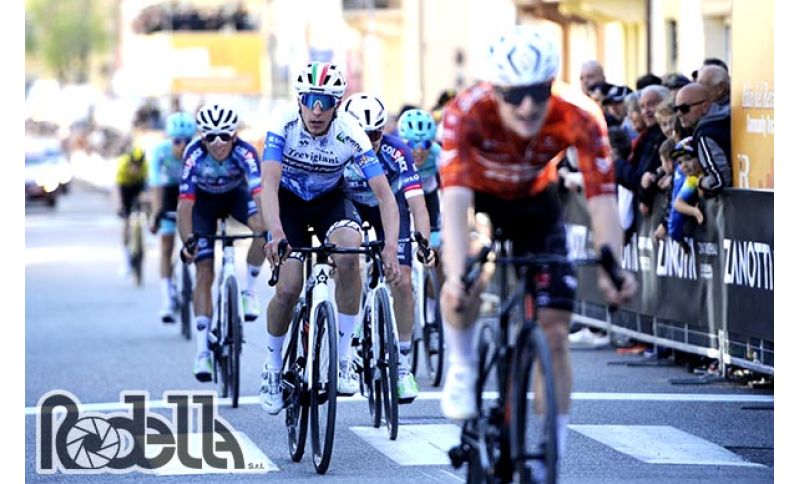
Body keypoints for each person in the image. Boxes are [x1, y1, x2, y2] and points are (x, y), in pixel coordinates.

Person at [437, 25, 637, 477]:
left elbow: (602, 199)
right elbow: (455, 203)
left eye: (538, 92)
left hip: (535, 204)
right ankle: (463, 365)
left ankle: (552, 452)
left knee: (554, 331)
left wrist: (613, 267)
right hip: (480, 201)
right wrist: (456, 275)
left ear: (552, 84)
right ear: (494, 89)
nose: (527, 106)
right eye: (514, 95)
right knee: (465, 280)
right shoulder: (467, 111)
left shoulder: (579, 113)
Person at [259, 62, 401, 415]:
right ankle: (273, 368)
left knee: (350, 255)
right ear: (299, 101)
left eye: (326, 102)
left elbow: (385, 196)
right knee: (288, 288)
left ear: (337, 104)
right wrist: (276, 232)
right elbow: (269, 185)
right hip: (288, 205)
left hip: (329, 202)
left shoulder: (351, 132)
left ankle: (343, 357)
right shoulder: (282, 124)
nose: (317, 110)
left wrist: (390, 246)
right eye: (310, 100)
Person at [342, 92, 436, 403]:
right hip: (352, 206)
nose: (370, 141)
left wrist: (423, 242)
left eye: (376, 134)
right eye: (363, 134)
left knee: (403, 280)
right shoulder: (339, 147)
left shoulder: (398, 151)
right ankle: (351, 335)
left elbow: (417, 203)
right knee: (347, 263)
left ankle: (403, 364)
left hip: (389, 208)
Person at [177, 103, 268, 382]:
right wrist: (188, 242)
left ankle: (249, 291)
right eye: (210, 137)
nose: (218, 143)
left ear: (235, 136)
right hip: (203, 205)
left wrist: (268, 231)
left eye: (225, 136)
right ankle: (202, 352)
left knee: (262, 228)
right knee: (204, 271)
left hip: (235, 197)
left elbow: (259, 194)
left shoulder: (246, 152)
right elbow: (184, 206)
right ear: (202, 138)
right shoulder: (193, 154)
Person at [148, 112, 197, 323]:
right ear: (170, 139)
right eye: (177, 141)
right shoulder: (160, 151)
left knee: (196, 241)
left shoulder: (196, 151)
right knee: (166, 246)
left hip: (191, 192)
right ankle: (167, 299)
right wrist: (156, 214)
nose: (182, 146)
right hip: (167, 193)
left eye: (187, 141)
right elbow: (156, 184)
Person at [674, 82, 732, 195]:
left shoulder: (705, 133)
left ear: (704, 106)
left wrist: (701, 183)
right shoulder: (728, 116)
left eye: (684, 108)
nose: (679, 114)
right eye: (676, 109)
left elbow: (719, 180)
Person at [397, 109, 442, 249]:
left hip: (428, 193)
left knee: (435, 242)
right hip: (403, 193)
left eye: (426, 144)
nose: (419, 150)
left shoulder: (438, 153)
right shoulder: (396, 152)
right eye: (412, 144)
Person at [115, 145, 149, 275]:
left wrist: (147, 199)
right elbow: (117, 190)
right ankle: (125, 261)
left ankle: (147, 229)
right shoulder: (122, 165)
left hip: (138, 186)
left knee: (147, 202)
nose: (136, 168)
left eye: (138, 165)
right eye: (134, 165)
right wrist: (119, 206)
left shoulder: (145, 166)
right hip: (125, 187)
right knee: (126, 221)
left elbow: (148, 187)